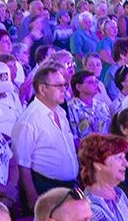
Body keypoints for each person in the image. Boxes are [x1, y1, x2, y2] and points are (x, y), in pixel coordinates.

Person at [13, 63, 79, 212]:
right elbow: (22, 164)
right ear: (42, 89)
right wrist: (32, 197)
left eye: (65, 85)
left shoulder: (61, 113)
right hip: (45, 188)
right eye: (58, 86)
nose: (64, 89)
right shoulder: (29, 120)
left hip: (68, 187)